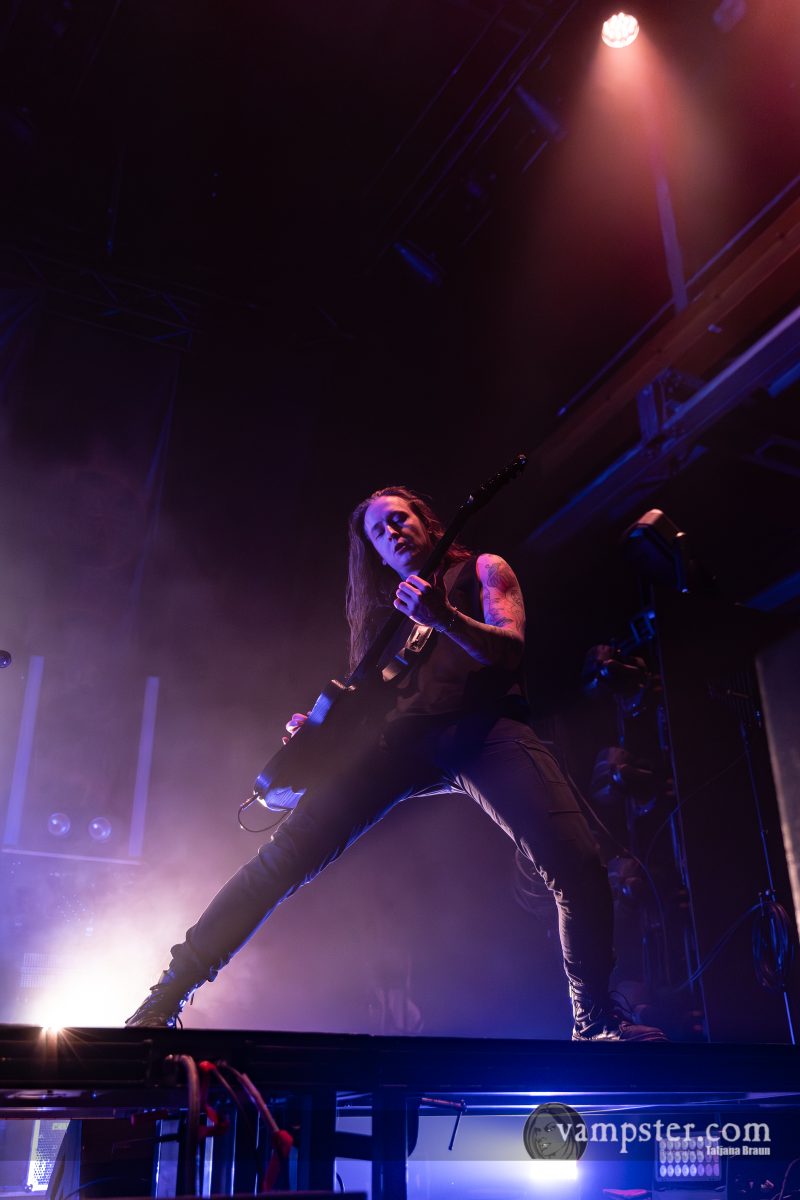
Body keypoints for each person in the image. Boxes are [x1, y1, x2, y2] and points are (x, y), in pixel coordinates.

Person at [126, 485, 666, 1041]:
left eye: (399, 518)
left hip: (485, 731)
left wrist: (446, 617)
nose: (392, 532)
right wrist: (319, 731)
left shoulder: (482, 569)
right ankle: (164, 997)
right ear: (377, 556)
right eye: (379, 532)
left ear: (427, 522)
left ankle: (593, 1022)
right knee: (281, 860)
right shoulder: (387, 627)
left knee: (576, 863)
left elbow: (510, 649)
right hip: (400, 745)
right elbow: (369, 707)